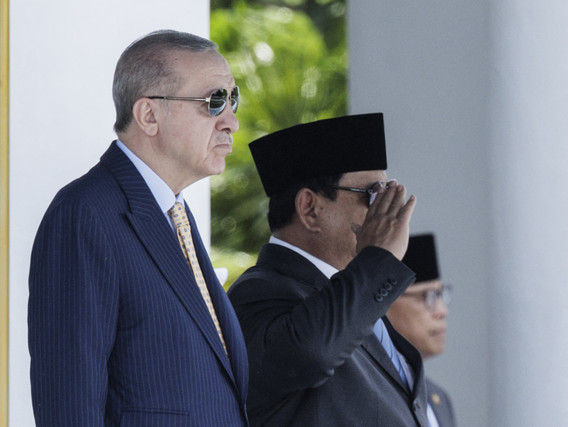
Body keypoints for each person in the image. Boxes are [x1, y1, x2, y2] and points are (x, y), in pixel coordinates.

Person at [28, 30, 249, 426]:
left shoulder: (173, 213)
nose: (230, 121)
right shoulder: (84, 215)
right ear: (149, 115)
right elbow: (69, 405)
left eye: (233, 99)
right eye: (214, 101)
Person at [227, 113, 429, 426]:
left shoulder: (352, 295)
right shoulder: (259, 291)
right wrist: (378, 259)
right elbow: (311, 353)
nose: (385, 213)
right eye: (374, 195)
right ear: (309, 209)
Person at [387, 233, 457, 427]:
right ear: (385, 304)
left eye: (441, 294)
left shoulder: (439, 399)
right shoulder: (371, 394)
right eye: (427, 296)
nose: (442, 311)